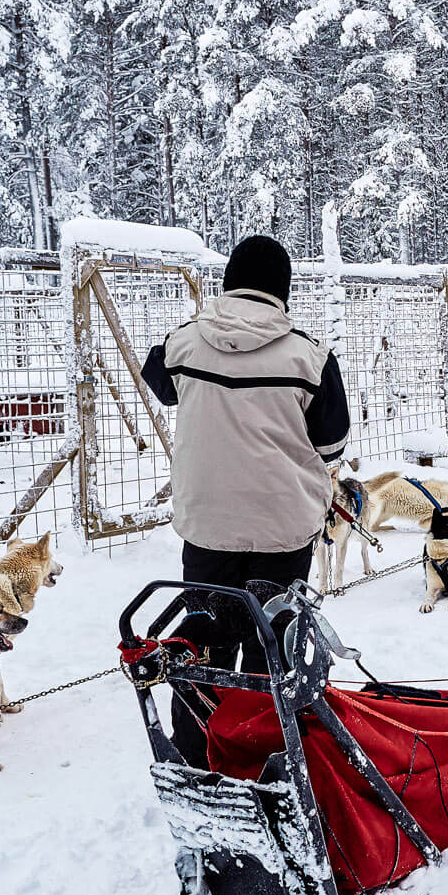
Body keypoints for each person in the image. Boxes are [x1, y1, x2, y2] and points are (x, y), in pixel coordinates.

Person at [142, 235, 350, 764]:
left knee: (205, 641)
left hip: (207, 527)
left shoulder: (183, 342)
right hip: (283, 532)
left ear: (229, 281)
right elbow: (331, 444)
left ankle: (196, 754)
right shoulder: (310, 356)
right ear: (283, 290)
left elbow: (157, 382)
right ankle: (264, 757)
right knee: (272, 647)